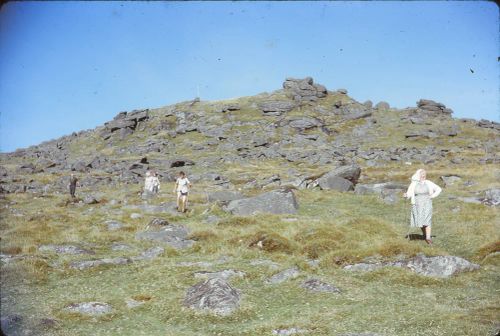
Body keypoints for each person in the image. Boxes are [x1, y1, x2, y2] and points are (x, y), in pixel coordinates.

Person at [404, 169, 442, 244]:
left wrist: (432, 196)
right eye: (422, 175)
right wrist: (406, 196)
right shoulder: (413, 184)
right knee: (420, 221)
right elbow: (409, 194)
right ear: (418, 175)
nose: (423, 176)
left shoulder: (428, 183)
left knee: (427, 220)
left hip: (427, 203)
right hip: (417, 204)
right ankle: (425, 235)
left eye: (424, 174)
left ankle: (428, 238)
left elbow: (439, 189)